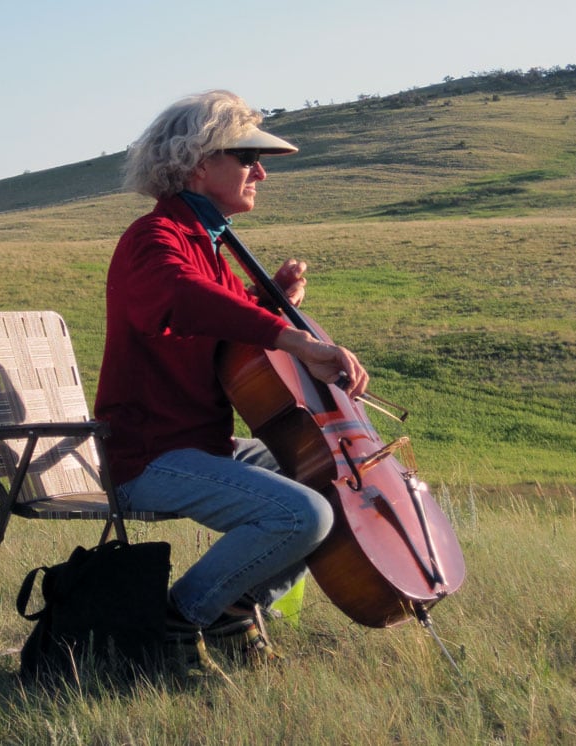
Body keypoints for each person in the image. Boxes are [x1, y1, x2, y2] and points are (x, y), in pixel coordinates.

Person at [94, 90, 369, 661]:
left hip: (203, 446)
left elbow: (222, 318)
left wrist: (275, 300)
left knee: (336, 483)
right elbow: (183, 298)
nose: (261, 173)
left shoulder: (211, 248)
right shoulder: (154, 240)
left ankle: (236, 611)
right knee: (302, 512)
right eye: (247, 159)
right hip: (147, 458)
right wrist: (290, 335)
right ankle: (177, 619)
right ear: (198, 163)